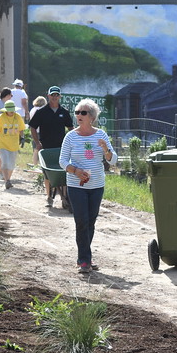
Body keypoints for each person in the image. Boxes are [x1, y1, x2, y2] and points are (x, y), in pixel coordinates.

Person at [59, 98, 117, 273]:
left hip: (97, 185)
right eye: (77, 112)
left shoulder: (101, 135)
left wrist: (106, 149)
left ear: (91, 116)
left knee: (91, 221)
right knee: (81, 221)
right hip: (76, 185)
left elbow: (113, 160)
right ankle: (84, 260)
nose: (79, 115)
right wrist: (75, 170)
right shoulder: (70, 136)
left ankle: (86, 258)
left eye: (83, 112)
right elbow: (62, 161)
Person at [30, 85, 74, 207]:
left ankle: (65, 197)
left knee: (64, 171)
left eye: (57, 95)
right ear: (48, 96)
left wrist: (71, 142)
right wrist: (38, 143)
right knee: (48, 173)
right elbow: (32, 127)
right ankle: (49, 196)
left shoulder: (63, 112)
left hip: (61, 147)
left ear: (60, 97)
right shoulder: (42, 112)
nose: (54, 97)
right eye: (52, 95)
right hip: (47, 148)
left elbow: (70, 128)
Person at [0, 100, 25, 190]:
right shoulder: (1, 117)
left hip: (14, 144)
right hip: (3, 144)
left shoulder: (18, 117)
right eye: (9, 110)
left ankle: (8, 179)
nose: (11, 111)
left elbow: (21, 129)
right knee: (5, 162)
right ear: (6, 110)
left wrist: (22, 137)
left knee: (12, 165)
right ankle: (7, 181)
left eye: (12, 109)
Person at [29, 95, 47, 164]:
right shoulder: (42, 110)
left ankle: (35, 163)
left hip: (33, 131)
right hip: (41, 131)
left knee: (35, 148)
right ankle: (41, 164)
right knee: (42, 149)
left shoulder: (32, 109)